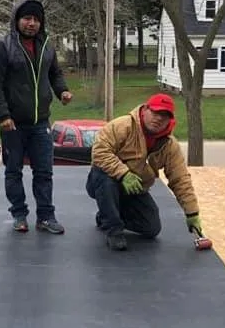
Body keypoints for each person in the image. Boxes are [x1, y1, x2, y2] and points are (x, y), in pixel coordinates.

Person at [0, 0, 72, 234]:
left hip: (40, 123)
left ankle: (46, 216)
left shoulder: (47, 47)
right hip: (12, 124)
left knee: (44, 172)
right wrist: (3, 115)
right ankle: (19, 214)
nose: (31, 23)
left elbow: (55, 74)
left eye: (36, 19)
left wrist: (62, 91)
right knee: (13, 171)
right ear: (17, 20)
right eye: (26, 18)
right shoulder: (3, 48)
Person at [86, 93, 203, 251]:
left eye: (164, 115)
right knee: (105, 178)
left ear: (170, 119)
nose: (159, 118)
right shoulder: (122, 126)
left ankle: (106, 215)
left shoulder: (169, 145)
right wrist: (123, 173)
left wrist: (192, 213)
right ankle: (113, 229)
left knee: (151, 228)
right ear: (145, 109)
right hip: (104, 181)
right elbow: (99, 152)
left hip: (134, 188)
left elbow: (180, 179)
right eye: (155, 112)